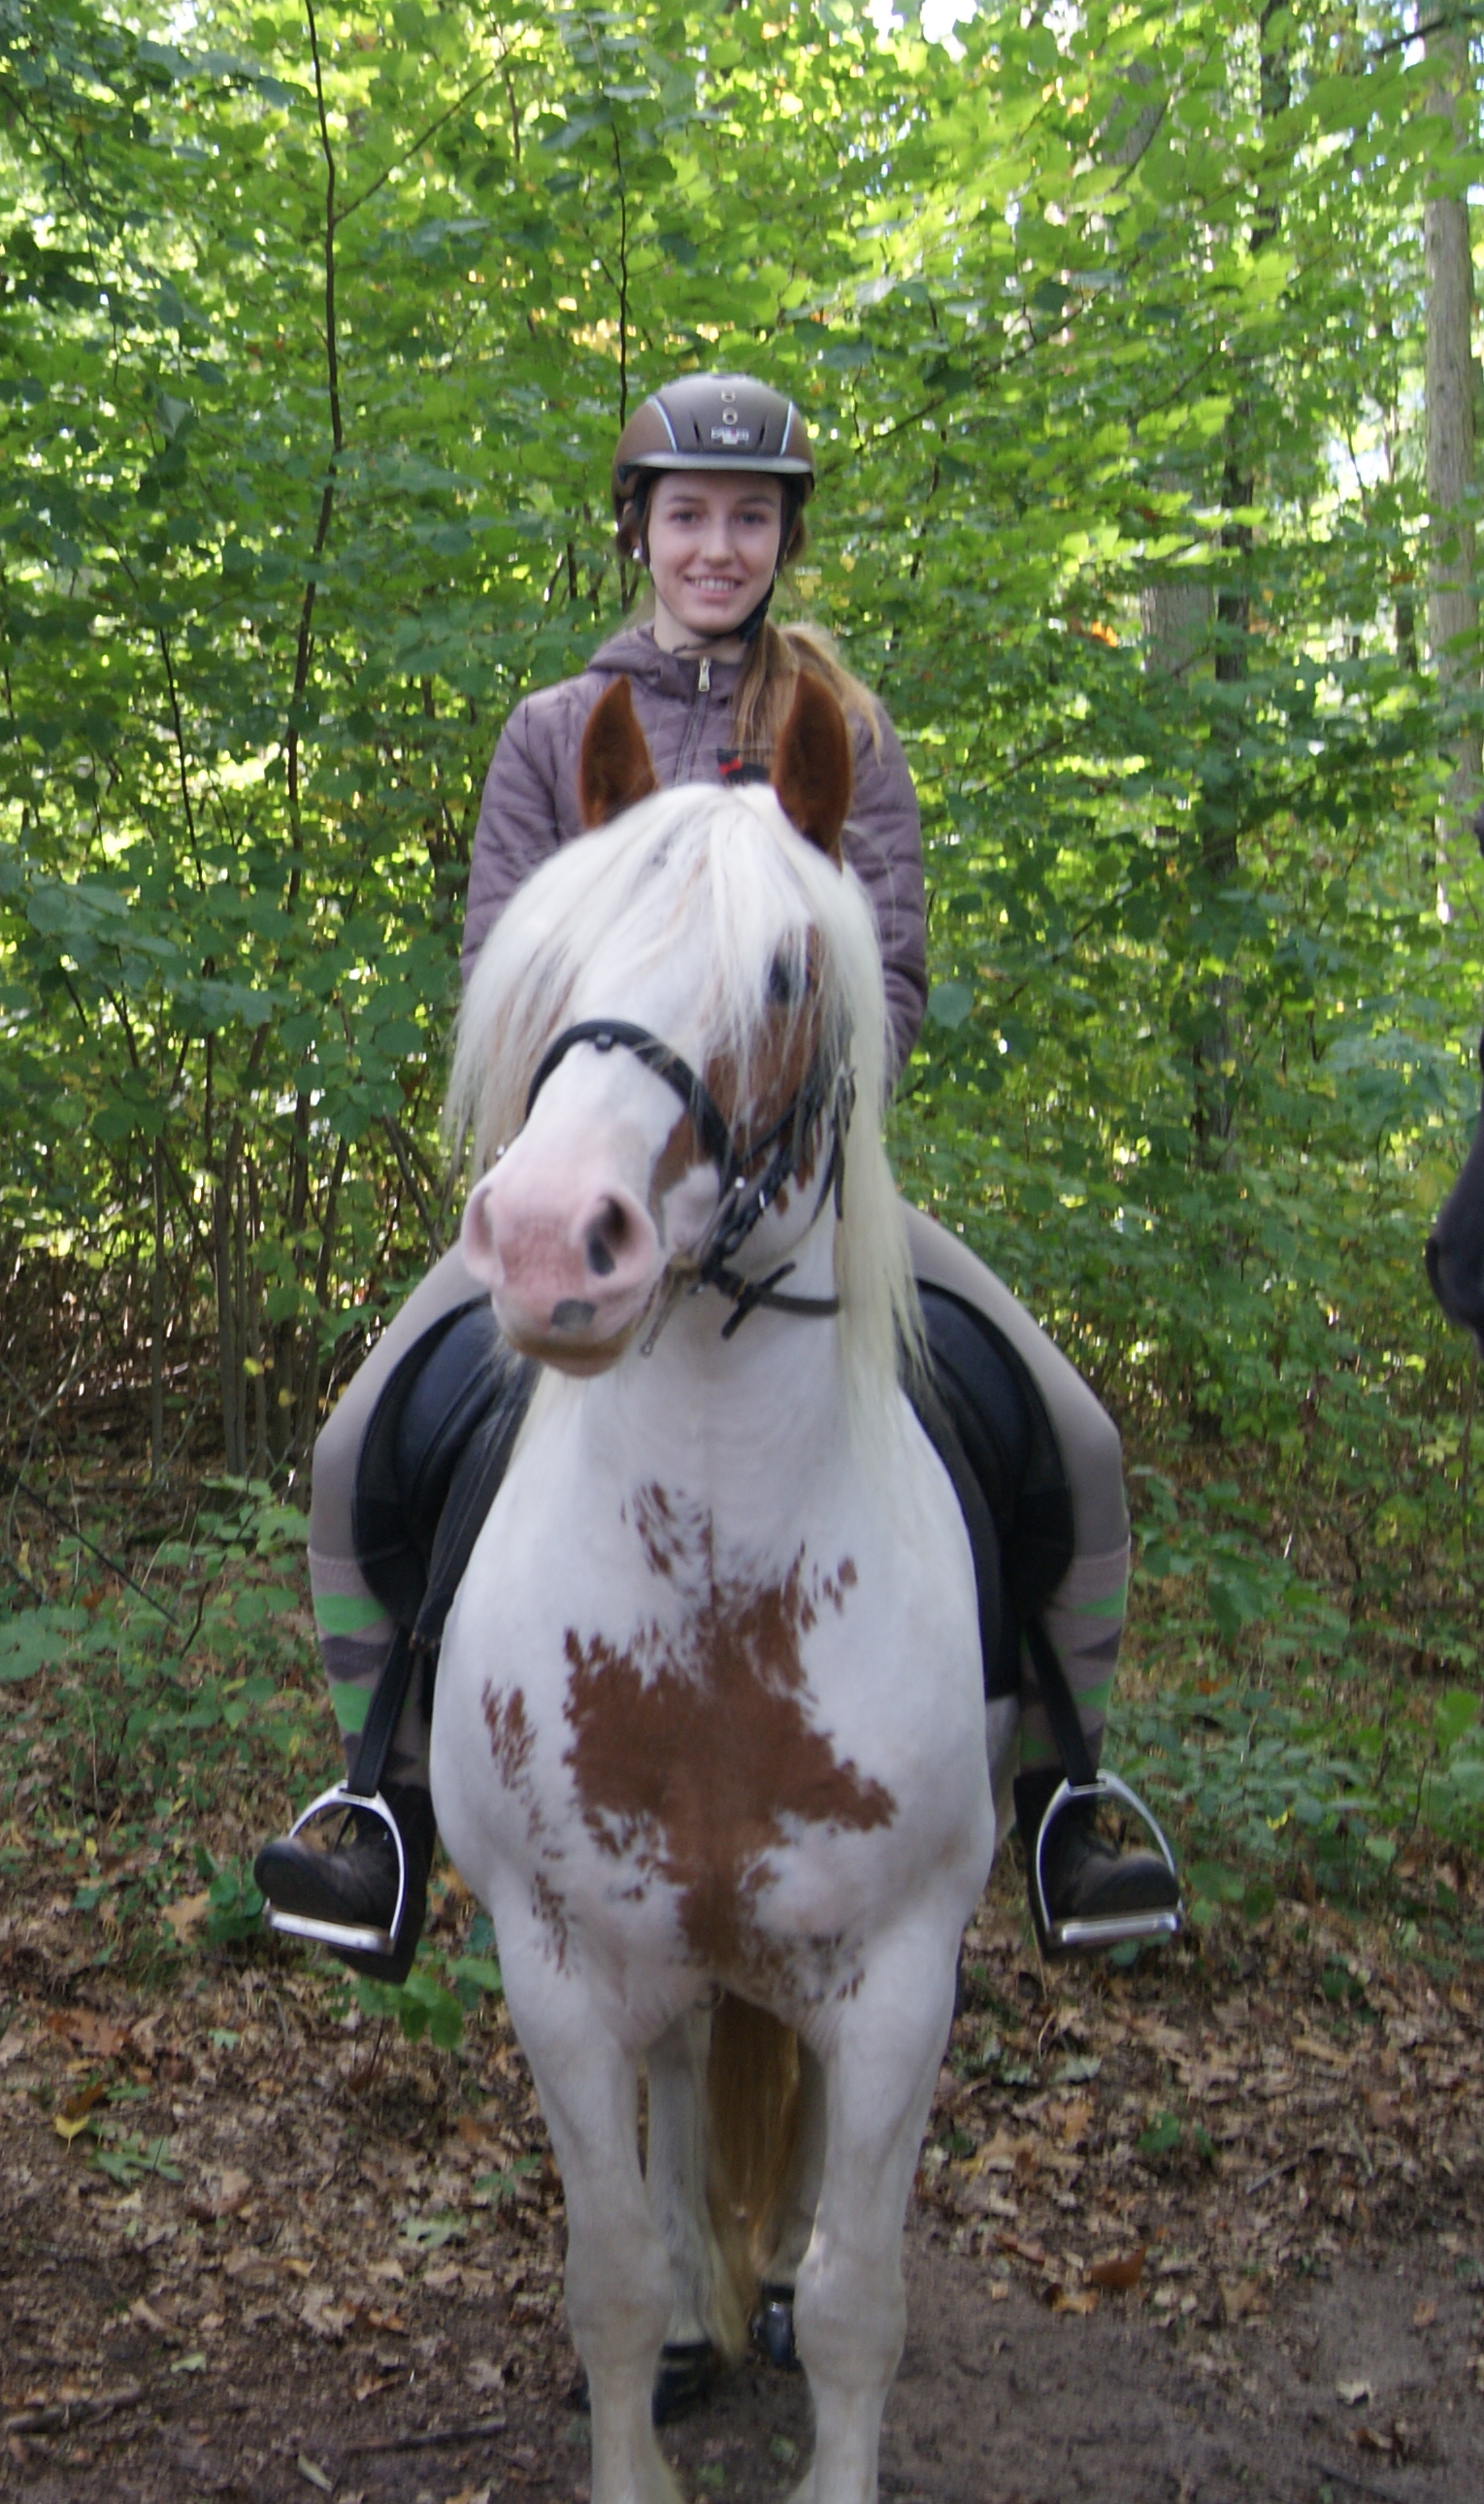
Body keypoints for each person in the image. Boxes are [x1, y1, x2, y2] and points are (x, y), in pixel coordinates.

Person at [248, 372, 1179, 1963]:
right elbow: (505, 967)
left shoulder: (839, 736)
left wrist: (782, 1134)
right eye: (689, 515)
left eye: (751, 519)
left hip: (803, 1188)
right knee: (350, 1455)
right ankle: (380, 1800)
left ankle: (1064, 1796)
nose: (718, 547)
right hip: (602, 1180)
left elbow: (889, 974)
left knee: (1078, 1444)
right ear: (639, 530)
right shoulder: (557, 736)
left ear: (784, 541)